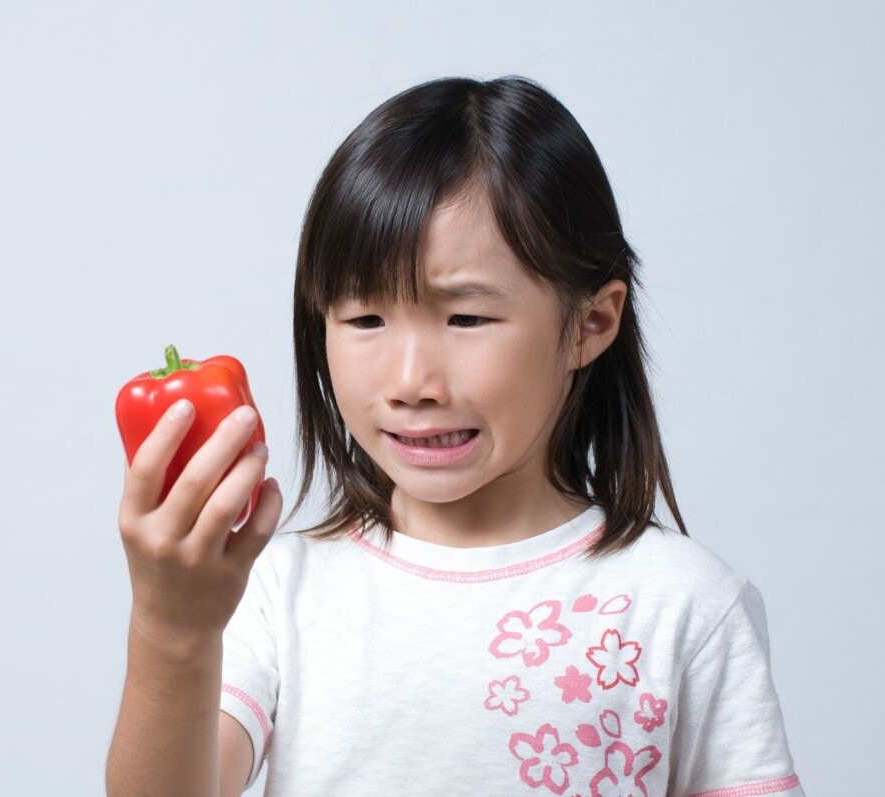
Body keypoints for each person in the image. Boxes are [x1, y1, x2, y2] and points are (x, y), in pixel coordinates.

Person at [105, 76, 804, 796]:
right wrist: (172, 628)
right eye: (366, 319)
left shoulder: (686, 605)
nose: (412, 380)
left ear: (592, 324)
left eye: (466, 319)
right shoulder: (281, 594)